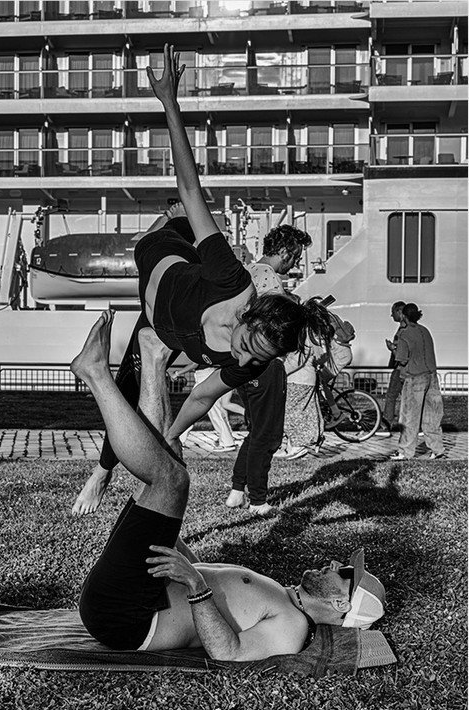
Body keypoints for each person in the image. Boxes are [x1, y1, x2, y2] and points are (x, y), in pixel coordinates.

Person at [72, 44, 334, 516]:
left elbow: (202, 395)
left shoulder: (252, 360)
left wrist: (171, 439)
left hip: (163, 327)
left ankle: (125, 453)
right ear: (249, 315)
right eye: (246, 346)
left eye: (255, 359)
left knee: (155, 429)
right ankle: (102, 470)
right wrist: (170, 103)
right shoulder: (231, 280)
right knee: (179, 224)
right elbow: (191, 187)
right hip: (166, 250)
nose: (242, 360)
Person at [73, 312, 386, 660]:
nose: (334, 563)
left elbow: (228, 652)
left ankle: (96, 374)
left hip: (127, 616)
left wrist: (195, 584)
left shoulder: (293, 626)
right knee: (169, 459)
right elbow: (211, 581)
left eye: (344, 573)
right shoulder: (283, 596)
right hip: (137, 594)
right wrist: (169, 535)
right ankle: (154, 360)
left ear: (341, 603)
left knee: (172, 480)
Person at [226, 224, 330, 515]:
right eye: (295, 256)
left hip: (244, 360)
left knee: (255, 431)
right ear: (284, 250)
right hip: (266, 364)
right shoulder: (269, 276)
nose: (295, 263)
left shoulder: (247, 271)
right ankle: (258, 501)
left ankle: (237, 491)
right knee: (268, 435)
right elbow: (277, 318)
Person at [390, 303, 445, 461]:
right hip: (432, 376)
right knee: (432, 416)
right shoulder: (425, 330)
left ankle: (405, 451)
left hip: (414, 377)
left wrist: (393, 349)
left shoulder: (404, 333)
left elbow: (402, 359)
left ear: (404, 316)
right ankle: (437, 449)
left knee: (409, 417)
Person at [175, 362, 243, 453]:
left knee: (212, 412)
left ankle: (227, 443)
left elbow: (195, 364)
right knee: (195, 410)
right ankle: (179, 439)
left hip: (205, 375)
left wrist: (178, 373)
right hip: (207, 374)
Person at [375, 301, 406, 437]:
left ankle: (386, 425)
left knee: (391, 396)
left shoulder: (403, 330)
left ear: (400, 312)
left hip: (400, 368)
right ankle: (416, 426)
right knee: (409, 398)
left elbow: (401, 352)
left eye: (393, 312)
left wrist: (392, 348)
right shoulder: (411, 329)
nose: (391, 315)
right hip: (409, 369)